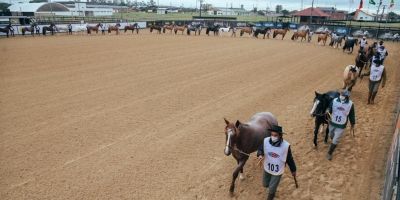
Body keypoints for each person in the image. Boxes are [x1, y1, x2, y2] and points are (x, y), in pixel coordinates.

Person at [257, 125, 297, 200]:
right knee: (265, 184)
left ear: (280, 135)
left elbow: (290, 159)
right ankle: (272, 189)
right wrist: (260, 155)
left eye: (275, 135)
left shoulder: (286, 146)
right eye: (272, 135)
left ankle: (271, 195)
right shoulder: (265, 141)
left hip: (277, 171)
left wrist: (293, 170)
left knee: (271, 189)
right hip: (267, 168)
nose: (273, 137)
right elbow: (260, 149)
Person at [326, 90, 355, 160]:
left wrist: (352, 123)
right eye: (341, 95)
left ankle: (329, 153)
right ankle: (333, 141)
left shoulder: (351, 104)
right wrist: (328, 110)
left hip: (341, 125)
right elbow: (329, 108)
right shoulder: (334, 100)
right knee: (331, 135)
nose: (342, 96)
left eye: (344, 95)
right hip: (332, 122)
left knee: (336, 139)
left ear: (347, 96)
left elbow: (352, 114)